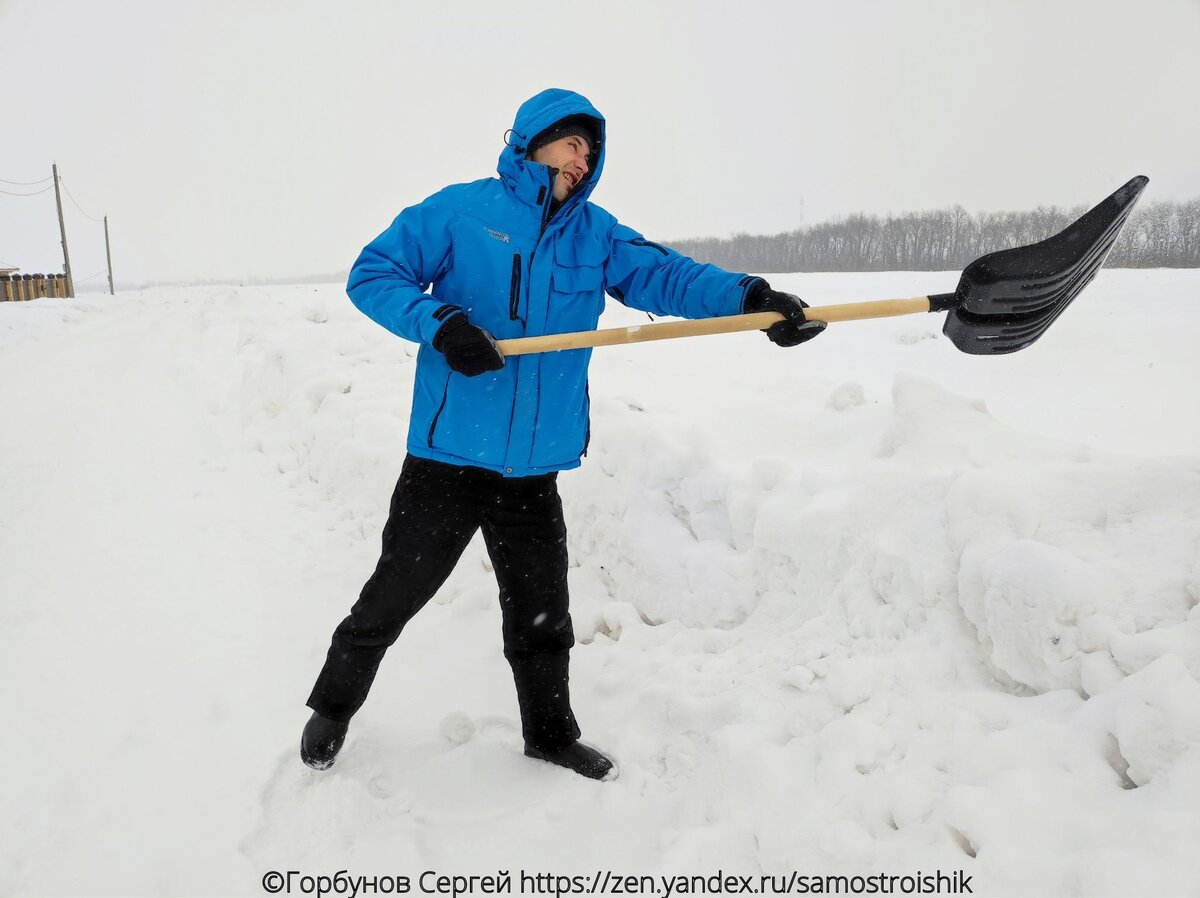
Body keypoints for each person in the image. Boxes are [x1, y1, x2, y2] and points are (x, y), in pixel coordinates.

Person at [302, 88, 825, 780]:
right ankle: (333, 708)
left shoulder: (595, 234)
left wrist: (753, 300)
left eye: (592, 149)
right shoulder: (461, 212)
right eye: (573, 143)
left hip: (532, 469)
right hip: (448, 459)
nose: (585, 158)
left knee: (544, 616)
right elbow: (374, 273)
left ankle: (549, 735)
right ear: (533, 140)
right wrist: (442, 324)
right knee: (391, 597)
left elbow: (667, 275)